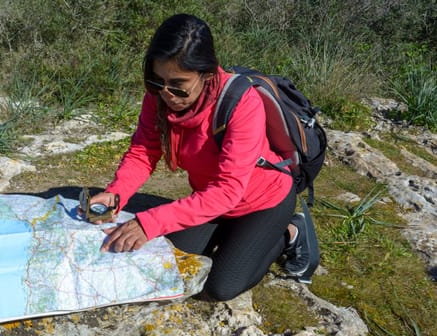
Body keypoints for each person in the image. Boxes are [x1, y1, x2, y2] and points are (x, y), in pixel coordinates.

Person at [87, 13, 315, 301]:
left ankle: (290, 231)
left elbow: (228, 189)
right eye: (157, 81)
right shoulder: (156, 95)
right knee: (169, 266)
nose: (167, 93)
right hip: (212, 201)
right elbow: (144, 151)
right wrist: (115, 193)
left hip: (263, 201)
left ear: (206, 74)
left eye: (178, 85)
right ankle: (233, 235)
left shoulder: (242, 103)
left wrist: (150, 222)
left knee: (218, 287)